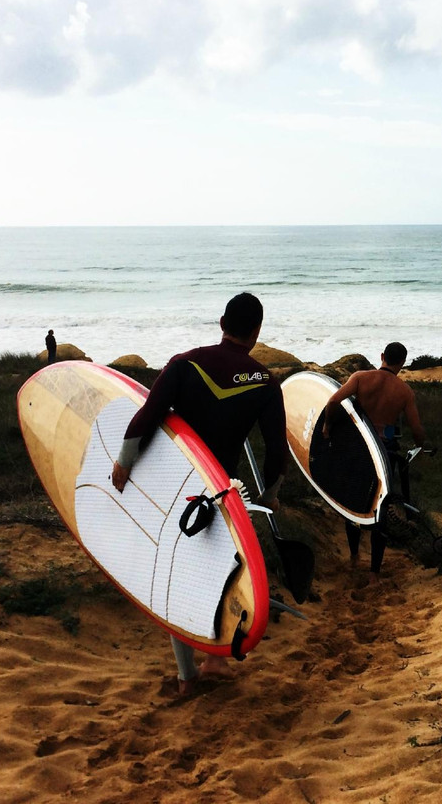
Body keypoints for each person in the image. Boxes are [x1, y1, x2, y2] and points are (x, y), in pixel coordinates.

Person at [110, 292, 287, 696]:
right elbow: (276, 452)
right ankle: (213, 660)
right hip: (223, 491)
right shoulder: (264, 381)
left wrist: (124, 463)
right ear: (257, 332)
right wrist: (270, 496)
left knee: (178, 572)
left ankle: (188, 674)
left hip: (178, 487)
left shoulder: (185, 363)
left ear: (221, 323)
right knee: (215, 573)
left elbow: (147, 415)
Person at [322, 342, 426, 585]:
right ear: (402, 363)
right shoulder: (405, 391)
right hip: (383, 453)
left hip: (358, 449)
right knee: (381, 509)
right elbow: (416, 429)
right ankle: (374, 573)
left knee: (353, 502)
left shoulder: (360, 378)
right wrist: (420, 443)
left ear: (382, 356)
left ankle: (354, 556)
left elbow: (333, 401)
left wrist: (327, 425)